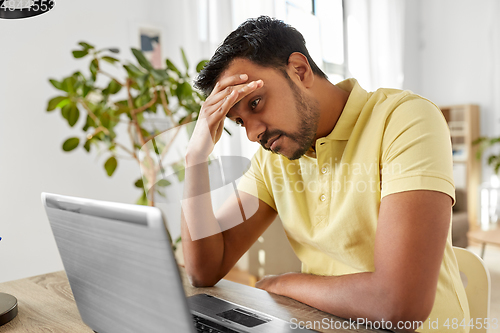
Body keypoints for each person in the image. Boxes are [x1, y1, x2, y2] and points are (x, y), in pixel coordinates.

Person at [181, 16, 469, 332]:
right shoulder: (274, 159)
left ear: (299, 70)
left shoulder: (405, 120)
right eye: (238, 121)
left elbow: (398, 305)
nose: (252, 133)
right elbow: (203, 270)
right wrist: (195, 157)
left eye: (256, 102)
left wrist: (285, 283)